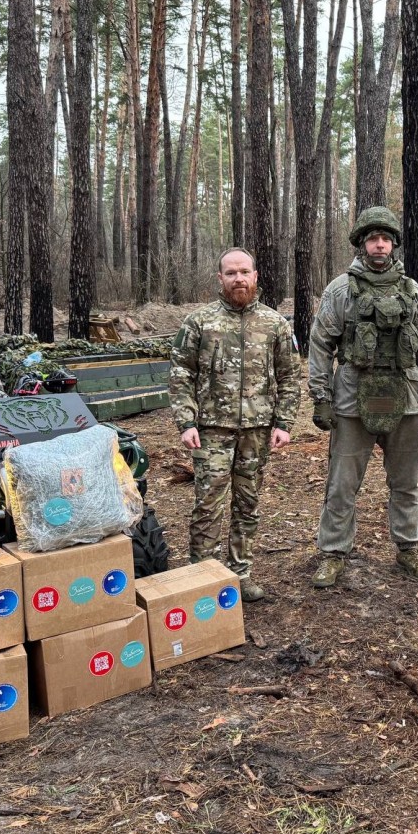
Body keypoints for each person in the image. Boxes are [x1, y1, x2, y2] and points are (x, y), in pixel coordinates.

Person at [307, 206, 418, 589]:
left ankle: (409, 549)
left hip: (404, 397)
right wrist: (320, 397)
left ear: (393, 245)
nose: (379, 245)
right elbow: (321, 344)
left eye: (386, 239)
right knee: (342, 483)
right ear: (361, 243)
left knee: (406, 482)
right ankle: (333, 553)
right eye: (373, 238)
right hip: (352, 399)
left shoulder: (412, 291)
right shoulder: (341, 290)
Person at [169, 248, 301, 602]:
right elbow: (181, 374)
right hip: (211, 429)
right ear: (220, 278)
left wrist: (284, 423)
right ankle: (203, 577)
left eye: (244, 272)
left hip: (257, 431)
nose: (238, 278)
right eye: (231, 273)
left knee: (248, 503)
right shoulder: (199, 322)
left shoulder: (275, 324)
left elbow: (290, 376)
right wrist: (186, 421)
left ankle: (239, 573)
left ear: (256, 276)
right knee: (208, 504)